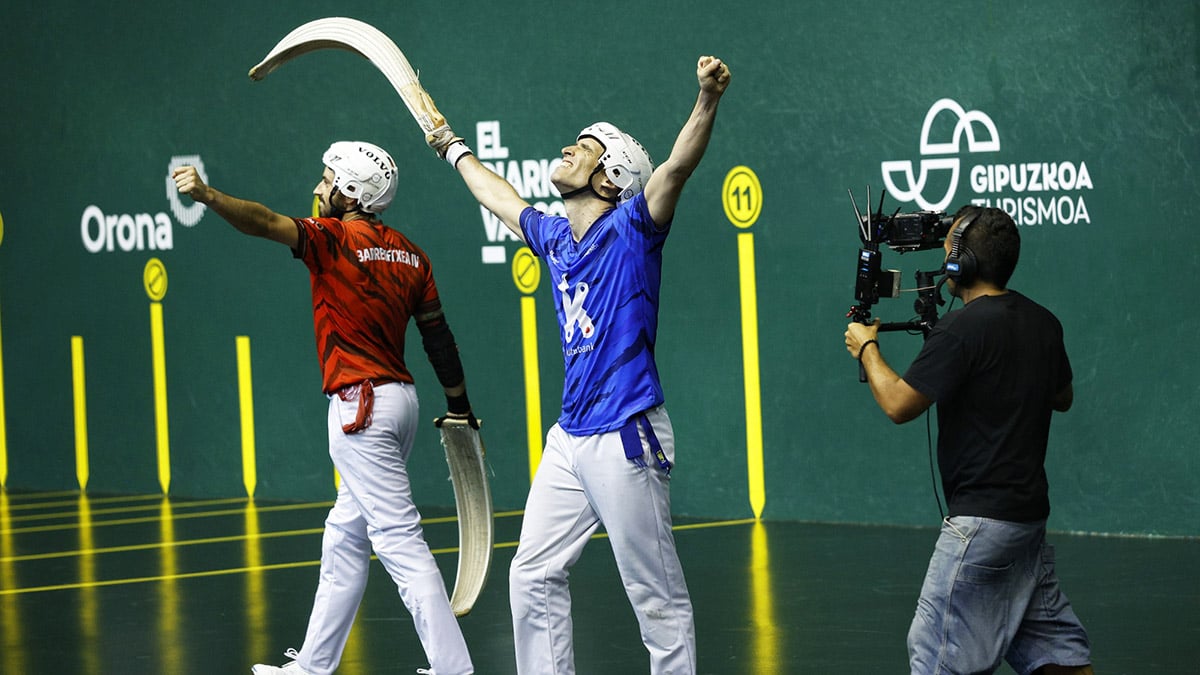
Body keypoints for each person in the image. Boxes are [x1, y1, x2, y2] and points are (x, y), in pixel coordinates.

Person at [422, 55, 731, 674]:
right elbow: (501, 198)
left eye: (584, 147)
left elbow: (676, 168)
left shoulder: (633, 229)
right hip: (570, 436)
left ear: (612, 177)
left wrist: (706, 99)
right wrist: (451, 145)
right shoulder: (559, 238)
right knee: (531, 573)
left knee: (656, 597)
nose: (568, 147)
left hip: (626, 434)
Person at [172, 142, 477, 675]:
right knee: (344, 537)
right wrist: (459, 406)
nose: (318, 188)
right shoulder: (413, 255)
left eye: (327, 178)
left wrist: (207, 194)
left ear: (352, 192)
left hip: (359, 407)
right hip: (399, 403)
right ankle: (313, 666)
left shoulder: (331, 239)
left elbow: (265, 222)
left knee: (399, 541)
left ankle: (454, 668)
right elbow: (439, 340)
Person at [844, 205, 1094, 675]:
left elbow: (899, 405)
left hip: (980, 527)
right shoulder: (1044, 322)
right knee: (1058, 657)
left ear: (964, 262)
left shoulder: (959, 330)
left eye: (949, 248)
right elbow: (1063, 397)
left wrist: (868, 348)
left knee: (934, 650)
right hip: (1027, 523)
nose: (943, 254)